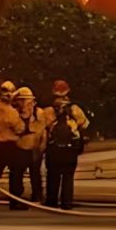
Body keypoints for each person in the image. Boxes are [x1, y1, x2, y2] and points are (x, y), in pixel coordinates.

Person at [43, 79, 89, 210]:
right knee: (68, 177)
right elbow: (84, 125)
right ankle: (66, 202)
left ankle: (51, 201)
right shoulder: (75, 110)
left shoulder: (48, 111)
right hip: (70, 150)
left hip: (54, 150)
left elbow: (43, 128)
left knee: (53, 175)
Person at [0, 80, 25, 209]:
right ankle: (15, 201)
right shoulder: (10, 111)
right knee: (16, 173)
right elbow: (19, 128)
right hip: (9, 144)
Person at [12, 87, 47, 205]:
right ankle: (16, 198)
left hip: (34, 149)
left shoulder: (39, 113)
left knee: (35, 174)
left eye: (26, 100)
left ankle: (37, 196)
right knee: (17, 174)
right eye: (21, 100)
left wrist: (41, 147)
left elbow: (43, 132)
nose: (24, 104)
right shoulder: (13, 113)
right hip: (19, 149)